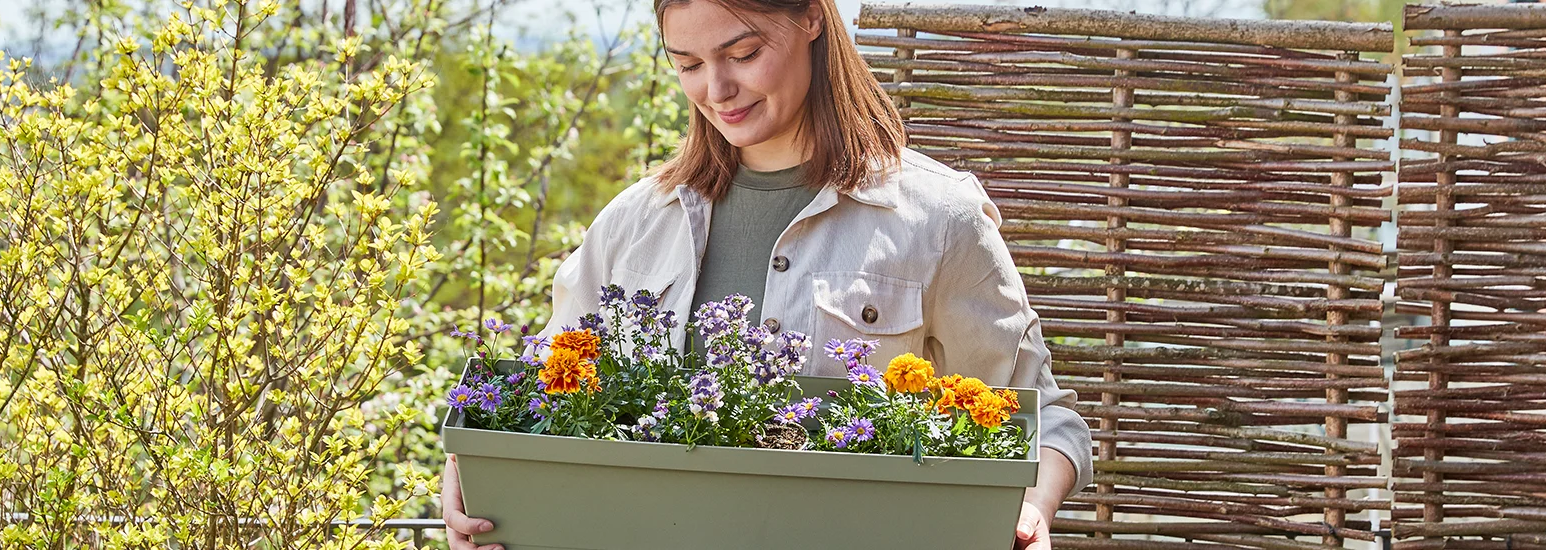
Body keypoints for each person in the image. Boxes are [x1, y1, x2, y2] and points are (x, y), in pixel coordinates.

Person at [441, 0, 1093, 548]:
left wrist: (1030, 510)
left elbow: (1046, 419)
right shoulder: (632, 224)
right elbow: (534, 404)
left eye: (744, 54)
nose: (716, 90)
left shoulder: (939, 220)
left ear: (811, 17)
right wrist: (467, 469)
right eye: (687, 64)